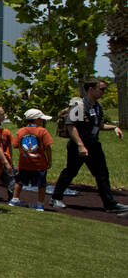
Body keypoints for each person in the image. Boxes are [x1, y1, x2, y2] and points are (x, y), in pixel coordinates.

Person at [51, 79, 128, 213]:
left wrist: (114, 127)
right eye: (102, 89)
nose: (104, 92)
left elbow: (98, 125)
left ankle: (110, 204)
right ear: (91, 89)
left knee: (102, 174)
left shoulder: (97, 106)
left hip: (93, 144)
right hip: (79, 144)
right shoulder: (80, 105)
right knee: (71, 171)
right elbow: (71, 126)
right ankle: (56, 197)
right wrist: (80, 145)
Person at [11, 107, 54, 211]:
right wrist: (49, 161)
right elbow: (48, 147)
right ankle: (40, 204)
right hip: (39, 164)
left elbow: (15, 145)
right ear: (36, 119)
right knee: (41, 184)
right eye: (40, 119)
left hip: (24, 163)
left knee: (19, 182)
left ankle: (14, 199)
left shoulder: (21, 131)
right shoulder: (42, 131)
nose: (42, 121)